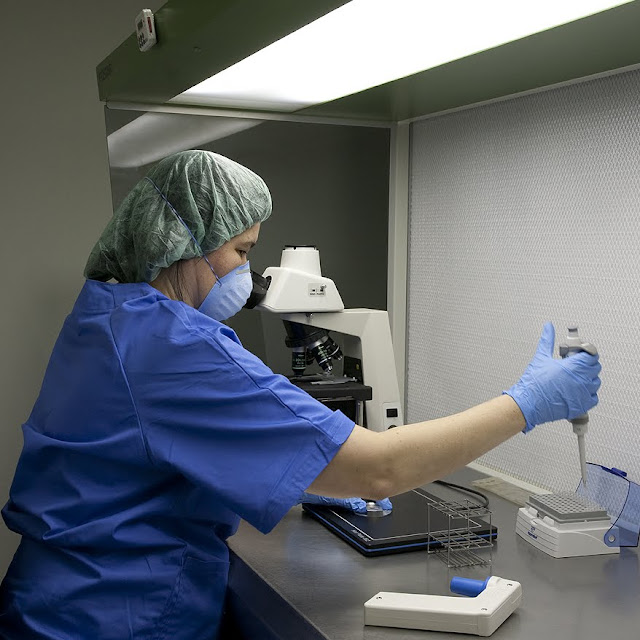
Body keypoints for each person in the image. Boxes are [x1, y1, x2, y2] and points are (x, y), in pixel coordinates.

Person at [0, 150, 601, 640]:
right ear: (181, 244)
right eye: (241, 252)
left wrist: (307, 473)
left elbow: (150, 449)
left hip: (62, 599)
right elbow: (382, 468)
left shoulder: (107, 313)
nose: (245, 274)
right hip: (113, 616)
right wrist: (528, 402)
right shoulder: (171, 343)